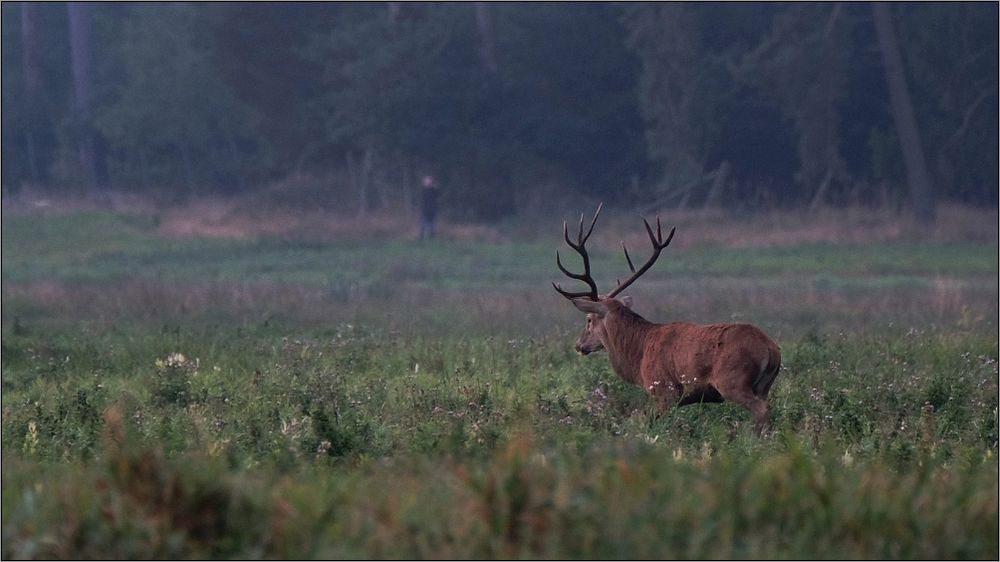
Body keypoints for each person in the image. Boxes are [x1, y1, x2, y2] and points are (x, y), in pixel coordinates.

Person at [419, 174, 440, 240]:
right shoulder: (424, 191)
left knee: (432, 224)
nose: (427, 183)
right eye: (426, 182)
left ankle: (431, 236)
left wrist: (436, 188)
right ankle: (422, 236)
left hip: (432, 209)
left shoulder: (433, 190)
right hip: (425, 209)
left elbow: (438, 195)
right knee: (423, 223)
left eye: (428, 182)